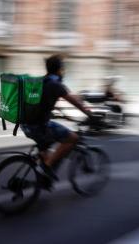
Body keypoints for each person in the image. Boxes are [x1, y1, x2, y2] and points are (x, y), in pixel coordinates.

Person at [20, 54, 91, 188]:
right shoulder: (56, 85)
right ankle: (46, 168)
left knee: (45, 149)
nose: (64, 72)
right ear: (59, 70)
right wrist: (89, 114)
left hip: (26, 125)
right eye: (63, 69)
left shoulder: (41, 81)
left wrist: (62, 114)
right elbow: (75, 101)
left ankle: (43, 179)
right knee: (73, 138)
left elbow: (45, 103)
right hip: (39, 126)